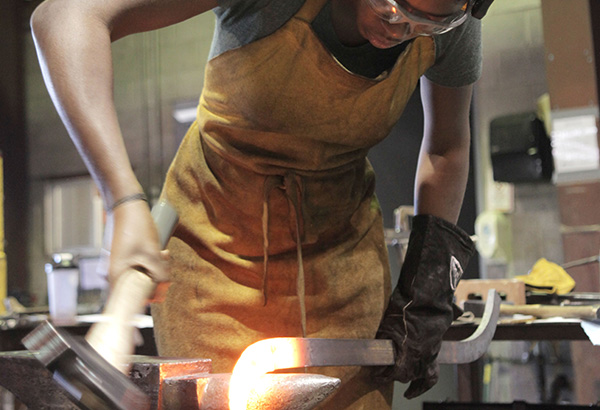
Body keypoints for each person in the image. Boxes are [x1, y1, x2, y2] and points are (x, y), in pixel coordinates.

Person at [30, 0, 492, 408]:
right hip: (215, 251)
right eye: (389, 7)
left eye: (427, 24)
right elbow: (65, 16)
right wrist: (124, 201)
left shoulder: (455, 16)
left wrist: (429, 283)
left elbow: (447, 148)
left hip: (343, 262)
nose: (400, 29)